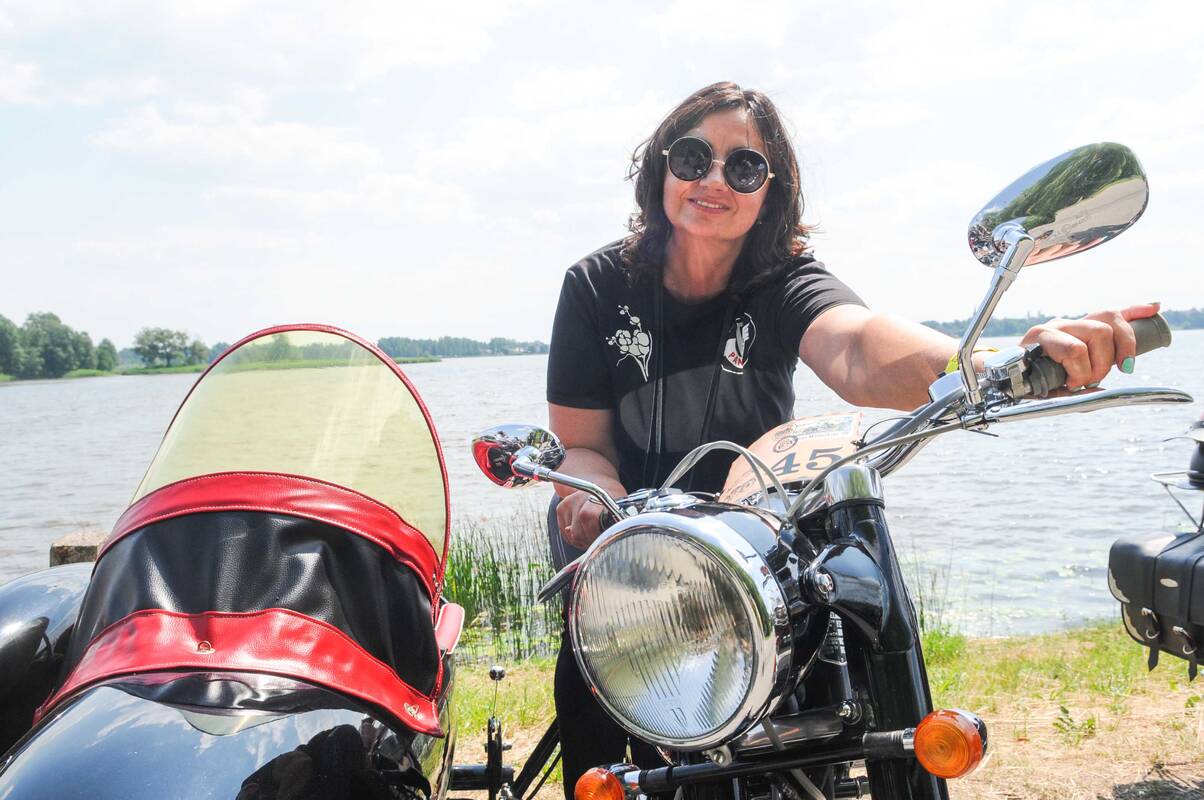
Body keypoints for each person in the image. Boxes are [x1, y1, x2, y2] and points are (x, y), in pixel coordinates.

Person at [544, 81, 1156, 795]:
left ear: (770, 192)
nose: (713, 180)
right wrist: (599, 504)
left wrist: (992, 363)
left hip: (753, 546)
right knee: (591, 704)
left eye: (743, 167)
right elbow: (583, 446)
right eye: (692, 158)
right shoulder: (596, 286)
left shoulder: (781, 280)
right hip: (635, 553)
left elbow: (858, 345)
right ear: (661, 169)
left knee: (827, 665)